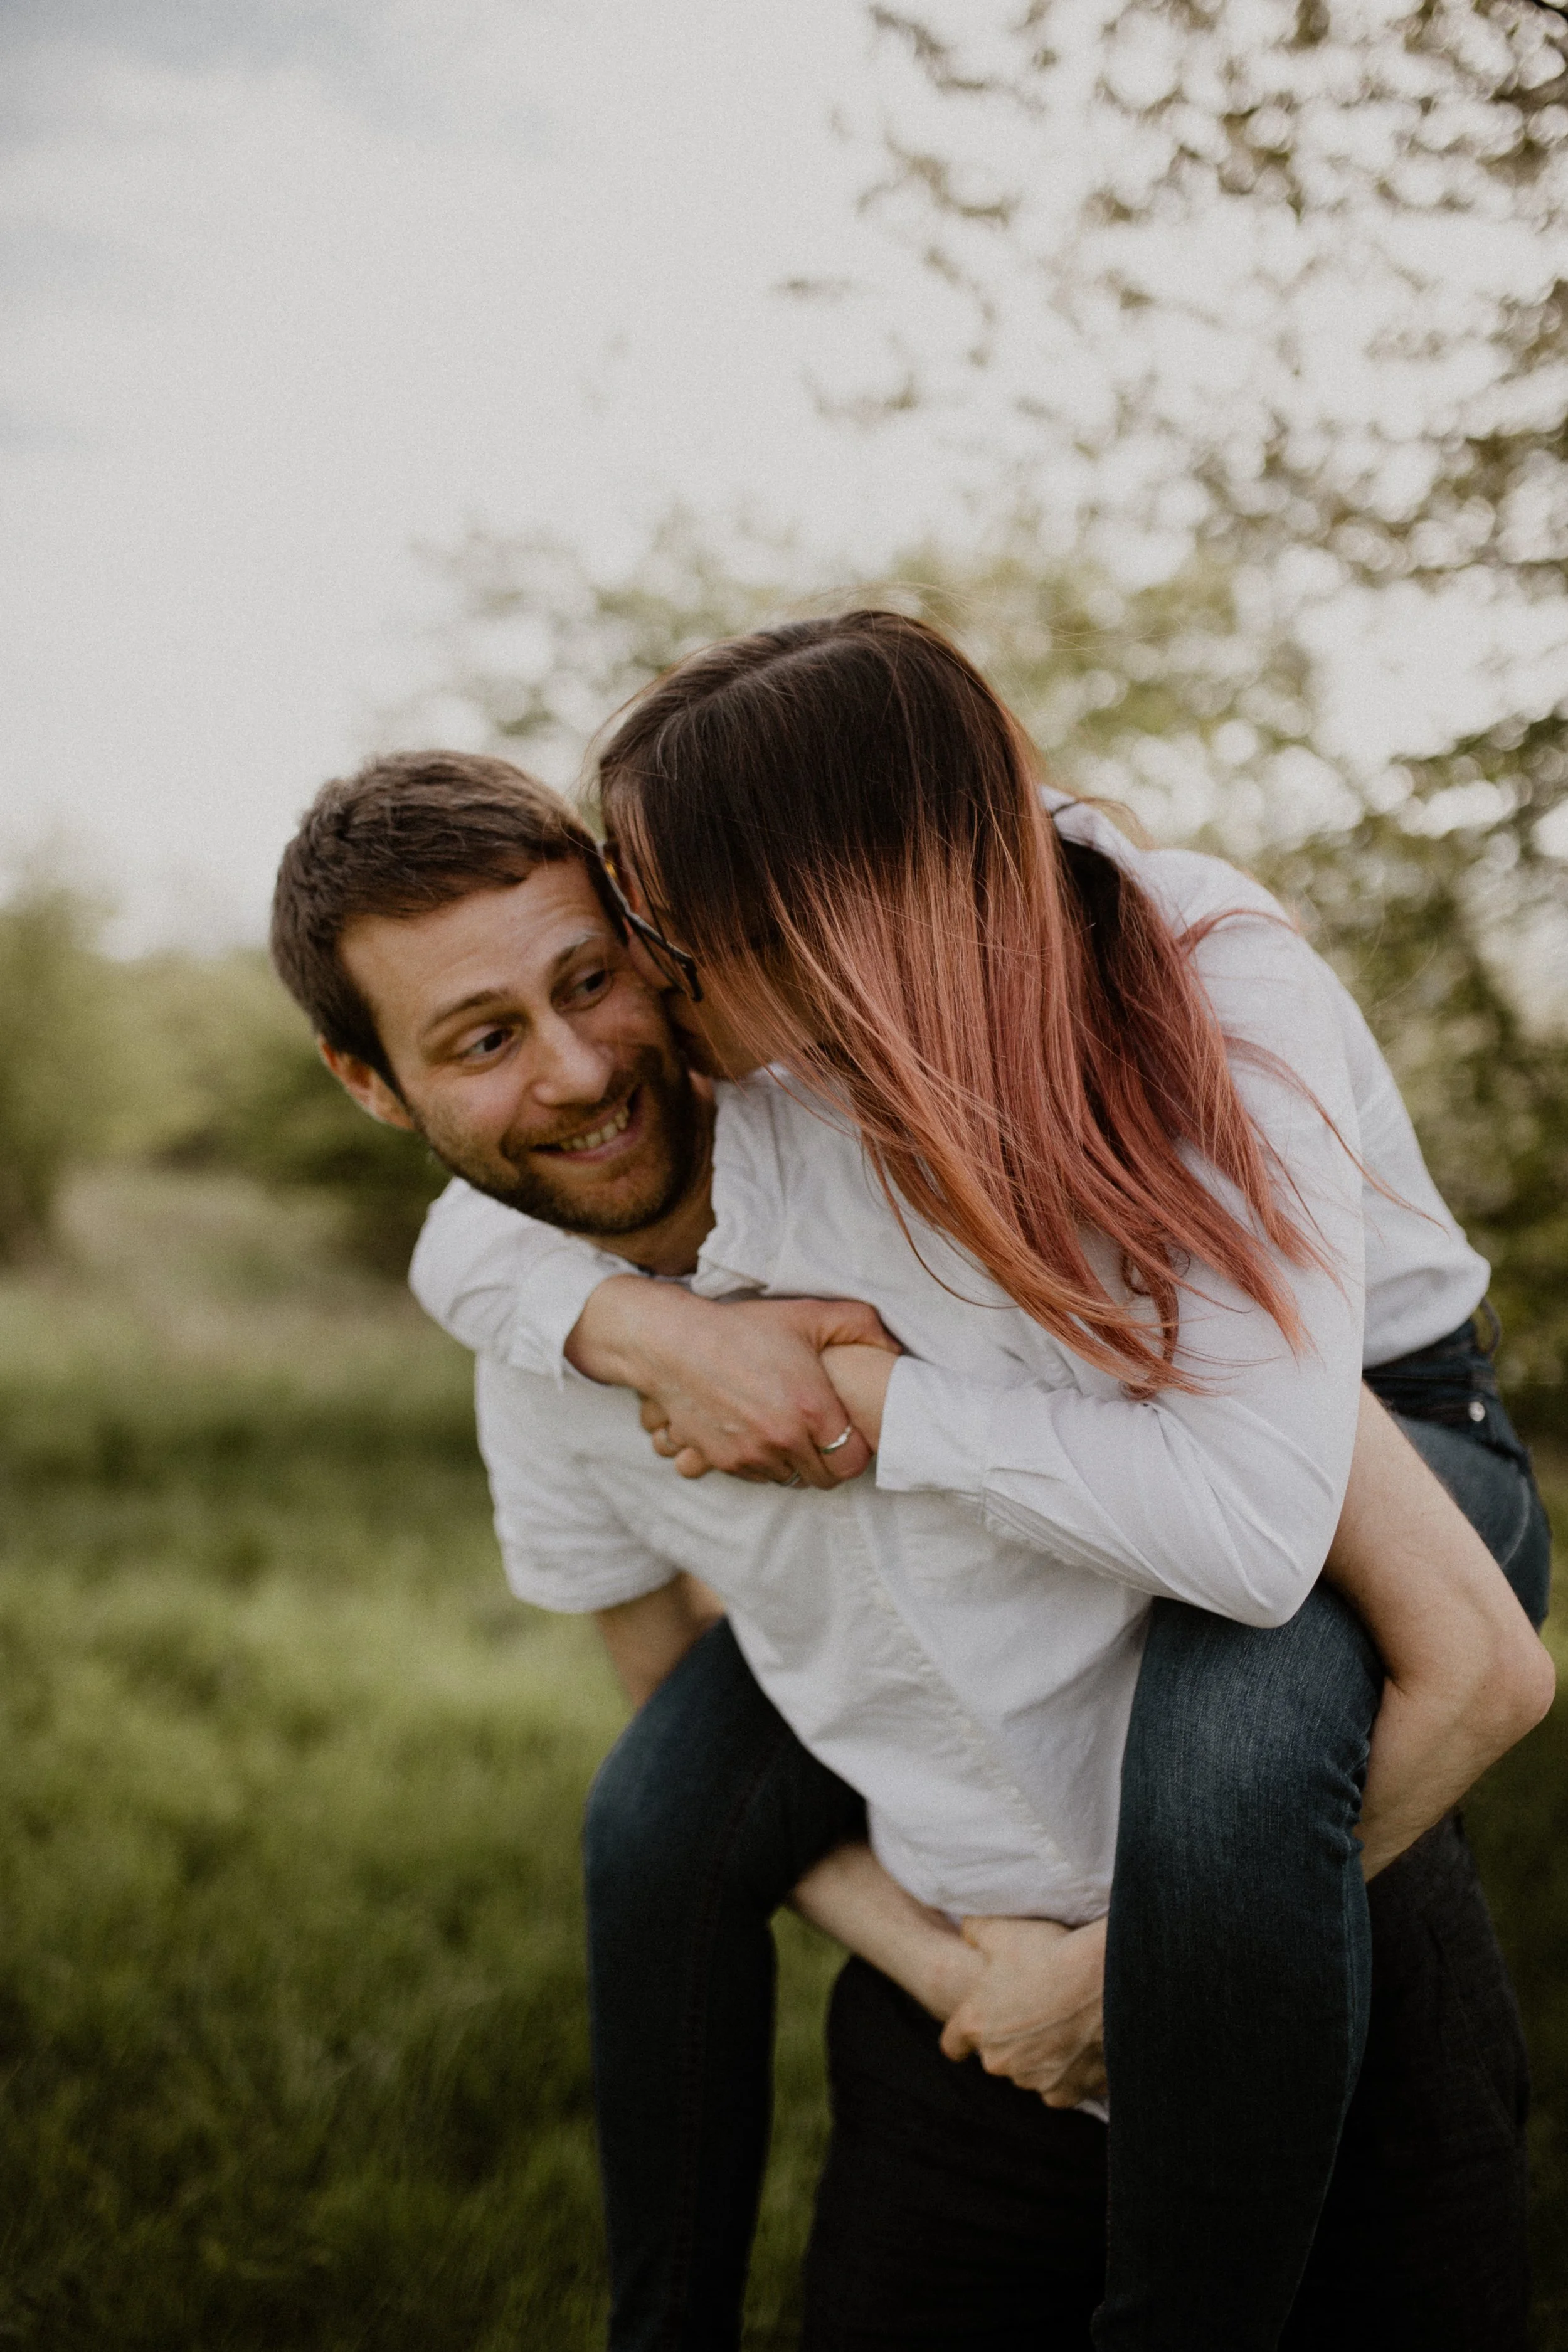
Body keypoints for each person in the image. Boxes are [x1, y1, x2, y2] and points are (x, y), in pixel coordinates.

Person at [268, 738, 1552, 2350]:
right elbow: (661, 1687)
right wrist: (959, 1983)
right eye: (478, 1038)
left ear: (658, 953)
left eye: (591, 979)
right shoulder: (536, 1352)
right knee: (649, 1825)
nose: (581, 1068)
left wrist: (1123, 1984)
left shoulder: (959, 1154)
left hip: (1319, 1963)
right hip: (955, 2038)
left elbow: (1452, 1635)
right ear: (369, 1086)